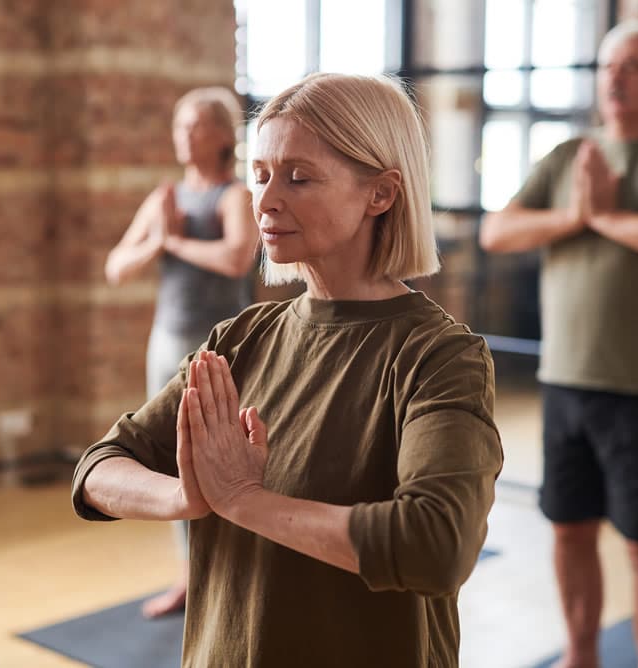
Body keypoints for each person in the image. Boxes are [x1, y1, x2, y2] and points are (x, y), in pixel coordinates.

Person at [73, 72, 503, 667]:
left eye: (299, 178)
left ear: (380, 194)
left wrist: (243, 500)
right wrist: (189, 498)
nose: (267, 201)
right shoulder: (239, 340)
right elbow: (98, 467)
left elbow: (437, 545)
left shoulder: (439, 356)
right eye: (260, 175)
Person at [479, 20, 638, 668]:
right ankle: (582, 656)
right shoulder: (569, 158)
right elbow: (497, 231)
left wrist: (605, 218)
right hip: (566, 383)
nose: (615, 77)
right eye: (608, 65)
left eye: (634, 66)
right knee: (568, 530)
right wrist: (573, 215)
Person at [104, 86, 258, 617]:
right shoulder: (165, 198)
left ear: (221, 134)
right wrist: (155, 241)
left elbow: (237, 258)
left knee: (226, 457)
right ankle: (191, 577)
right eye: (177, 126)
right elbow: (116, 266)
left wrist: (172, 243)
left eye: (193, 126)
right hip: (167, 341)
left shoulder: (236, 196)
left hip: (224, 346)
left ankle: (234, 576)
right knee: (175, 461)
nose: (182, 136)